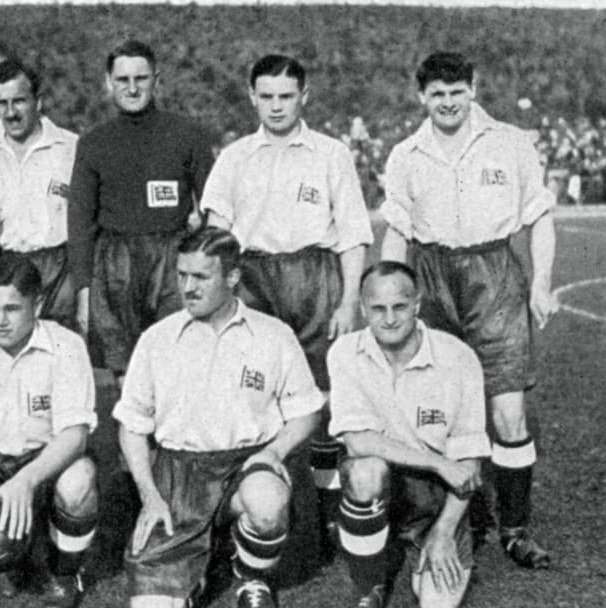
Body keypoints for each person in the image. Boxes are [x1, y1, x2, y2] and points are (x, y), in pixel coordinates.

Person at [379, 51, 559, 568]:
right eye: (437, 94)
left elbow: (539, 217)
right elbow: (397, 231)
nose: (448, 102)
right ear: (422, 97)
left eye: (457, 92)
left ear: (473, 89)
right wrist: (390, 295)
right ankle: (430, 520)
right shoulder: (406, 154)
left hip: (495, 276)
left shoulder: (509, 143)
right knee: (428, 407)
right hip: (432, 278)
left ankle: (516, 528)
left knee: (508, 411)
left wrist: (540, 283)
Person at [200, 54, 374, 558]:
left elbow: (354, 234)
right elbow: (217, 231)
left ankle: (323, 514)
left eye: (286, 96)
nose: (276, 107)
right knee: (246, 393)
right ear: (252, 97)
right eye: (267, 96)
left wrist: (347, 299)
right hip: (253, 279)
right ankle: (241, 513)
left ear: (305, 96)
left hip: (314, 278)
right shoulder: (234, 157)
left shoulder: (330, 154)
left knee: (320, 398)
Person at [115, 227, 324, 608]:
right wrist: (149, 495)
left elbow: (307, 412)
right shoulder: (157, 339)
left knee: (267, 502)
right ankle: (202, 565)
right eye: (181, 275)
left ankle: (251, 577)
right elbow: (131, 427)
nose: (188, 288)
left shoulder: (273, 335)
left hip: (248, 463)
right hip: (182, 474)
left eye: (201, 277)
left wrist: (274, 452)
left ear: (232, 278)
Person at [0, 254, 99, 608]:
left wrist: (25, 482)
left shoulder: (67, 346)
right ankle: (18, 558)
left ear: (37, 304)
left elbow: (75, 436)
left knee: (79, 481)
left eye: (11, 308)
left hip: (47, 456)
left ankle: (65, 572)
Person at [328, 262, 490, 608]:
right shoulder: (344, 353)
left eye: (399, 307)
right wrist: (436, 462)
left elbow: (467, 465)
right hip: (386, 482)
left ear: (416, 304)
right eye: (378, 309)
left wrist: (444, 533)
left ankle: (431, 538)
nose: (389, 319)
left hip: (438, 496)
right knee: (365, 471)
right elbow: (358, 441)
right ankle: (369, 585)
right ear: (362, 309)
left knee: (437, 603)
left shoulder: (458, 357)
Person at [68, 39, 213, 381]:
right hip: (115, 265)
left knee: (177, 362)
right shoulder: (93, 143)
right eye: (122, 80)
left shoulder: (187, 135)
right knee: (126, 371)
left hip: (172, 262)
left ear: (156, 80)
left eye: (141, 78)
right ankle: (130, 436)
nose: (132, 89)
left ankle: (174, 436)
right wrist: (84, 290)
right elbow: (80, 223)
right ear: (109, 83)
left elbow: (213, 207)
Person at [0, 59, 80, 330]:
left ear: (38, 101)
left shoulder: (71, 148)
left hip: (59, 268)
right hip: (5, 265)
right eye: (2, 103)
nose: (10, 113)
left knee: (60, 352)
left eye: (19, 101)